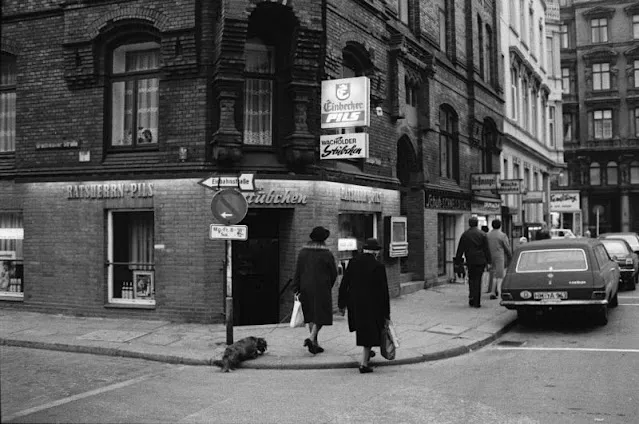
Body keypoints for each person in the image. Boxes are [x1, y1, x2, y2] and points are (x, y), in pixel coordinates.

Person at [338, 238, 390, 373]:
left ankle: (367, 354)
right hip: (372, 304)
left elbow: (344, 284)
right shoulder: (378, 266)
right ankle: (364, 364)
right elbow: (383, 292)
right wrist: (386, 313)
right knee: (369, 331)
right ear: (375, 252)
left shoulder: (353, 262)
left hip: (355, 302)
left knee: (364, 329)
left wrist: (341, 304)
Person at [292, 226, 338, 355]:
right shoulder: (327, 254)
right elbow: (334, 273)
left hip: (305, 288)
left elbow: (298, 271)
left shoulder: (303, 253)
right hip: (322, 288)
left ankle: (315, 344)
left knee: (311, 315)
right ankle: (311, 338)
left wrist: (296, 288)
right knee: (321, 316)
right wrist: (329, 285)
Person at [454, 216, 492, 308]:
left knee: (471, 279)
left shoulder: (465, 235)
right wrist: (489, 261)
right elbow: (486, 249)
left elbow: (460, 249)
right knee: (478, 280)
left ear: (469, 224)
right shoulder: (482, 234)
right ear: (477, 223)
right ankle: (477, 302)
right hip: (480, 261)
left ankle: (471, 297)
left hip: (470, 260)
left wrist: (458, 260)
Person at [486, 219, 512, 300]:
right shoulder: (502, 235)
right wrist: (511, 256)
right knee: (500, 275)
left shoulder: (487, 235)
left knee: (493, 274)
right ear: (500, 225)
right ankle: (499, 291)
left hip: (490, 256)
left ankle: (493, 291)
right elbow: (507, 247)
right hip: (499, 256)